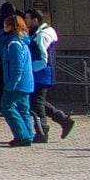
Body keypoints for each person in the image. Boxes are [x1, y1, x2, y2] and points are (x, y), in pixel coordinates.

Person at [27, 8, 72, 138]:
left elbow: (43, 59)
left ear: (35, 20)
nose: (25, 21)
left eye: (27, 18)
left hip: (41, 75)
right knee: (38, 101)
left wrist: (30, 68)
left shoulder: (41, 36)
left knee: (37, 103)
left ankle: (43, 131)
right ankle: (63, 119)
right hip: (40, 74)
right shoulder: (36, 34)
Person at [0, 11, 38, 147]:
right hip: (27, 82)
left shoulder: (14, 43)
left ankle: (21, 135)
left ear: (11, 26)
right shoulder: (23, 41)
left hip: (17, 83)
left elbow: (17, 66)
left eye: (5, 25)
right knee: (23, 109)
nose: (4, 28)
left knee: (7, 106)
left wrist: (11, 83)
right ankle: (29, 134)